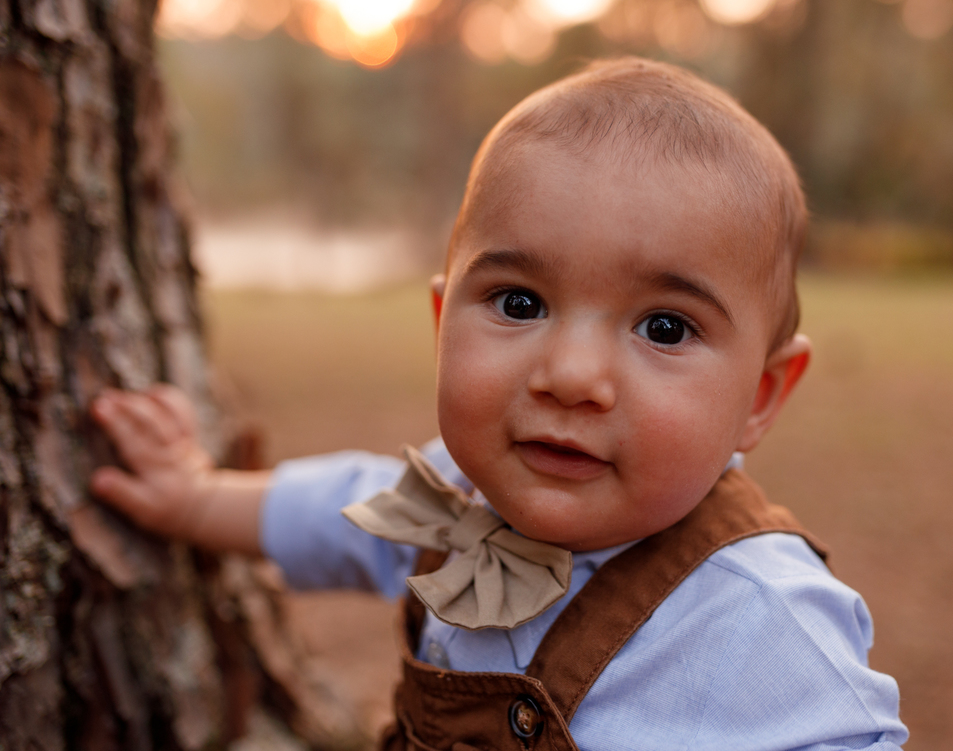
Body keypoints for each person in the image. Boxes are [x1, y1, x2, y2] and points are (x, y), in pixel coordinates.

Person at [90, 58, 908, 750]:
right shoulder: (459, 500)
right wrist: (195, 497)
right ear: (443, 324)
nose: (571, 376)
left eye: (664, 327)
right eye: (520, 304)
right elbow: (346, 511)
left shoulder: (765, 616)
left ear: (760, 397)